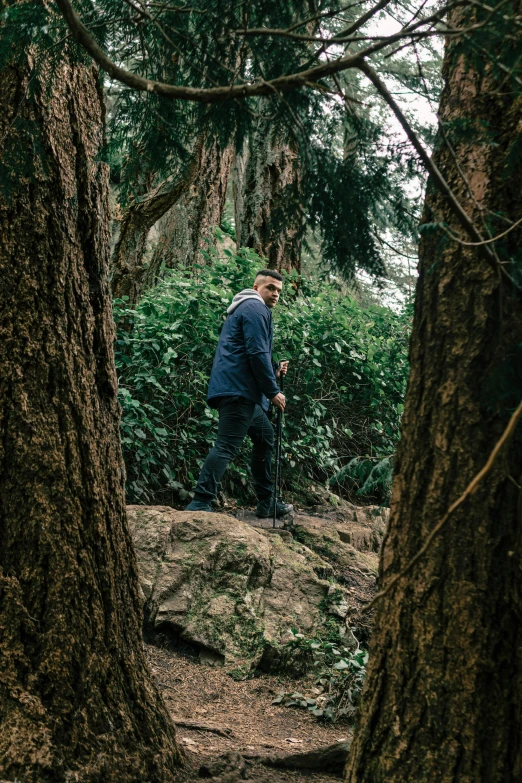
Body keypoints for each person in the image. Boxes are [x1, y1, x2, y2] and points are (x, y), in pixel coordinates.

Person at [184, 269, 293, 518]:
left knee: (265, 437)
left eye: (279, 291)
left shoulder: (245, 309)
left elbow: (248, 355)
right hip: (238, 392)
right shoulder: (255, 308)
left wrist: (274, 372)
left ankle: (267, 502)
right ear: (257, 288)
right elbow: (256, 353)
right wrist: (273, 391)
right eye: (270, 288)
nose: (275, 294)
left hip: (241, 390)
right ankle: (200, 502)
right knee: (226, 446)